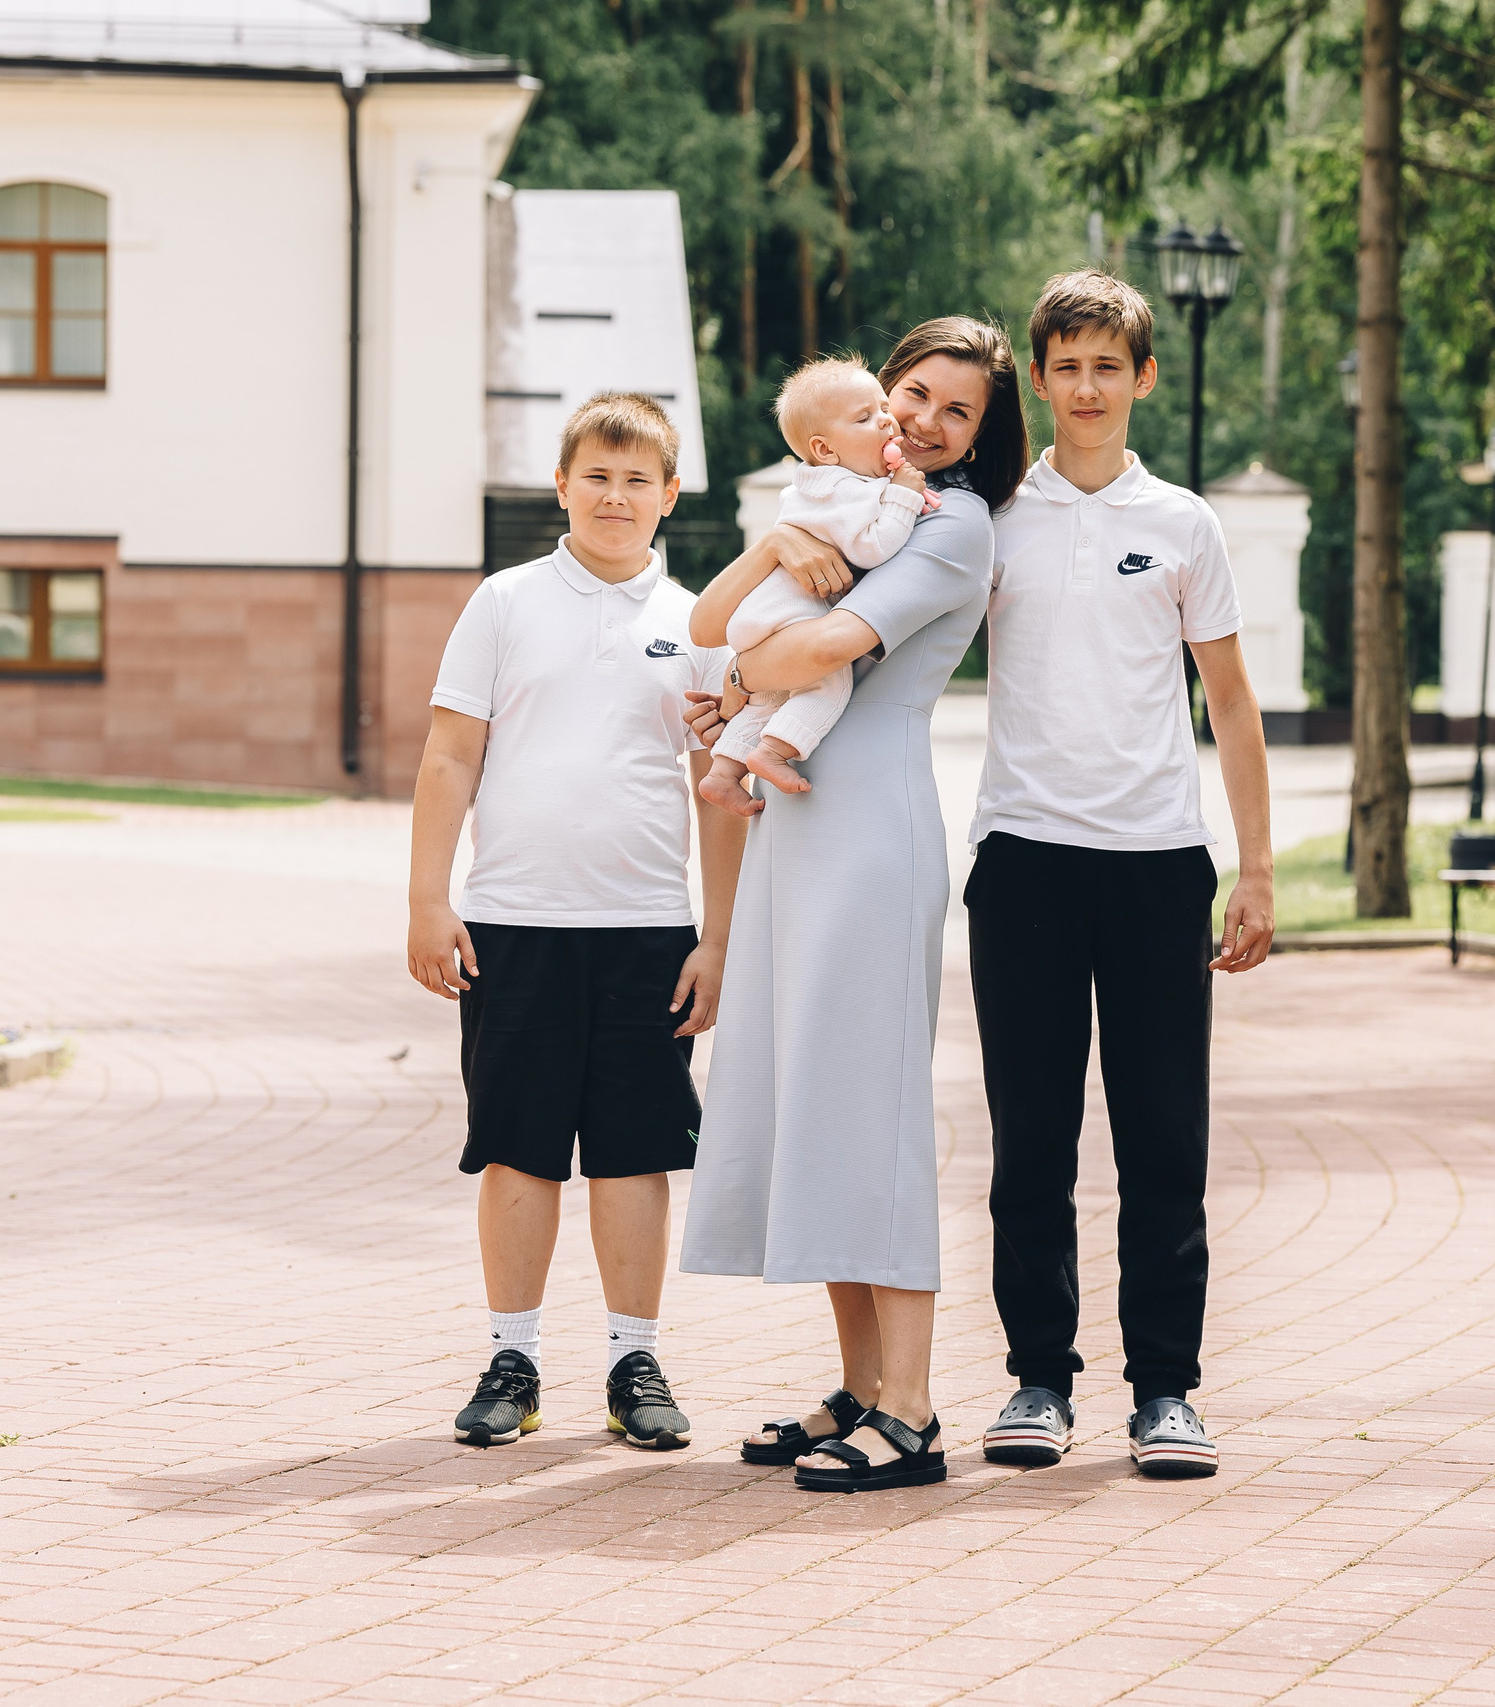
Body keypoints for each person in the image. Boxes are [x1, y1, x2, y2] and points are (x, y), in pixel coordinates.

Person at [678, 317, 1031, 1493]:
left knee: (870, 1111)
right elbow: (711, 622)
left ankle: (916, 1410)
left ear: (982, 438)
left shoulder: (955, 525)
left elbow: (812, 643)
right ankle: (860, 1387)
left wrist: (730, 681)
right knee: (808, 1097)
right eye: (912, 394)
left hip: (872, 830)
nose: (926, 421)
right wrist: (759, 587)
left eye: (956, 411)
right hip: (795, 824)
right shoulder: (840, 498)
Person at [968, 270, 1275, 1481]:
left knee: (1163, 1141)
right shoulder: (988, 520)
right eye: (1066, 365)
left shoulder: (1185, 525)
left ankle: (1165, 1392)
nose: (1087, 387)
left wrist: (1252, 870)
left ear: (1143, 377)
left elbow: (1234, 703)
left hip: (1156, 866)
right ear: (1036, 378)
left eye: (1109, 366)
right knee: (1029, 1141)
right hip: (1025, 861)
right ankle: (1038, 1379)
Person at [406, 391, 746, 1452]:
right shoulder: (503, 603)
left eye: (636, 479)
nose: (614, 495)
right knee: (518, 1150)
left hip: (647, 929)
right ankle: (513, 1357)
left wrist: (719, 935)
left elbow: (718, 786)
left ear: (669, 497)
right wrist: (427, 897)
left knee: (633, 1155)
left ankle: (631, 1359)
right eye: (595, 476)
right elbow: (451, 753)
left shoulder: (697, 627)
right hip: (512, 924)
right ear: (562, 486)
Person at [696, 355, 938, 814]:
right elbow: (872, 548)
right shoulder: (847, 489)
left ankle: (723, 772)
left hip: (762, 619)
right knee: (828, 684)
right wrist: (905, 495)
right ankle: (772, 753)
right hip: (789, 618)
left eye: (884, 407)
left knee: (766, 701)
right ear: (825, 450)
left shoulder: (814, 486)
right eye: (866, 418)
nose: (887, 420)